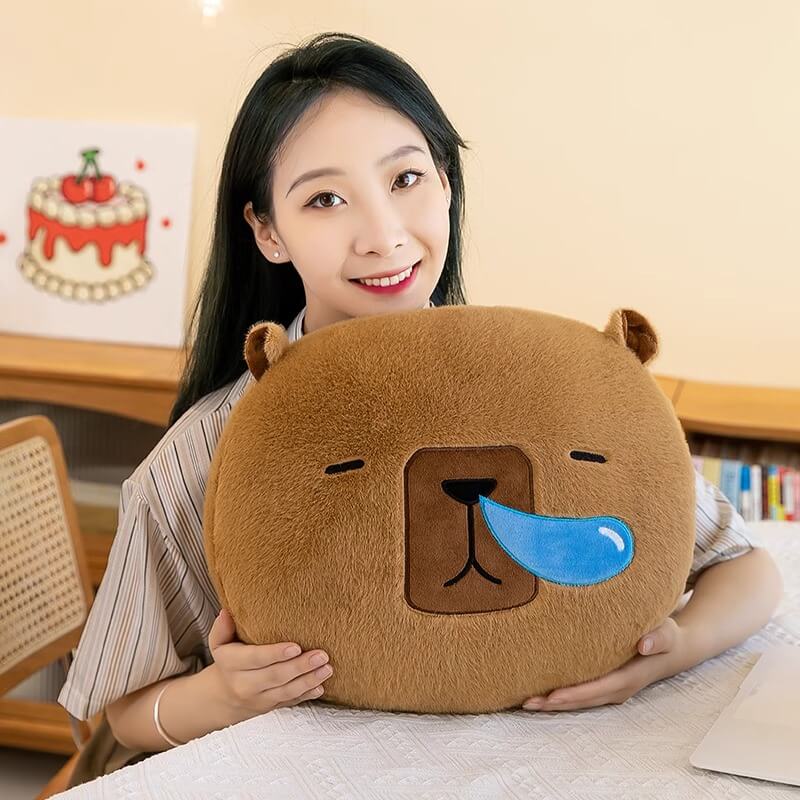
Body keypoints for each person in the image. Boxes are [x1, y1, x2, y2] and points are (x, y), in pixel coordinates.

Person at [58, 31, 782, 786]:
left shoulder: (535, 389)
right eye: (325, 199)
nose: (384, 236)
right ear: (268, 232)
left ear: (446, 184)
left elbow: (746, 570)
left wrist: (670, 651)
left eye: (405, 179)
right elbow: (122, 711)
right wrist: (223, 694)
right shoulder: (211, 446)